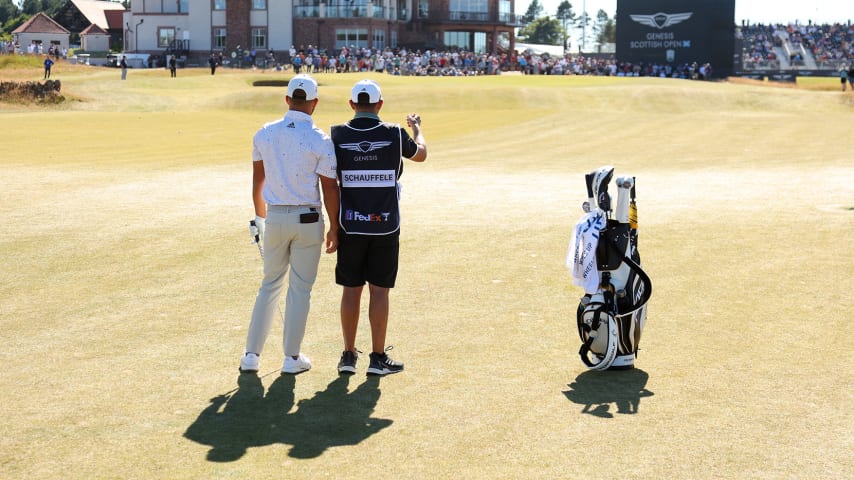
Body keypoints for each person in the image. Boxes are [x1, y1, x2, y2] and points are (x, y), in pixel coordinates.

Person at [239, 74, 339, 375]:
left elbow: (258, 181)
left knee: (269, 285)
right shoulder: (321, 140)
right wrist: (335, 227)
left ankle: (251, 357)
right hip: (308, 220)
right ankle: (291, 358)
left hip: (274, 217)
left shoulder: (265, 133)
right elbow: (329, 188)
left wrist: (259, 217)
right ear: (314, 103)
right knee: (300, 289)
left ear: (287, 100)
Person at [330, 79, 427, 376]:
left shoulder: (336, 134)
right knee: (380, 293)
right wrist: (417, 129)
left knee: (351, 290)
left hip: (350, 226)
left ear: (351, 105)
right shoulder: (395, 134)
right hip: (385, 226)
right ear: (380, 105)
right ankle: (377, 358)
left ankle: (348, 356)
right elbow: (421, 153)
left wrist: (333, 226)